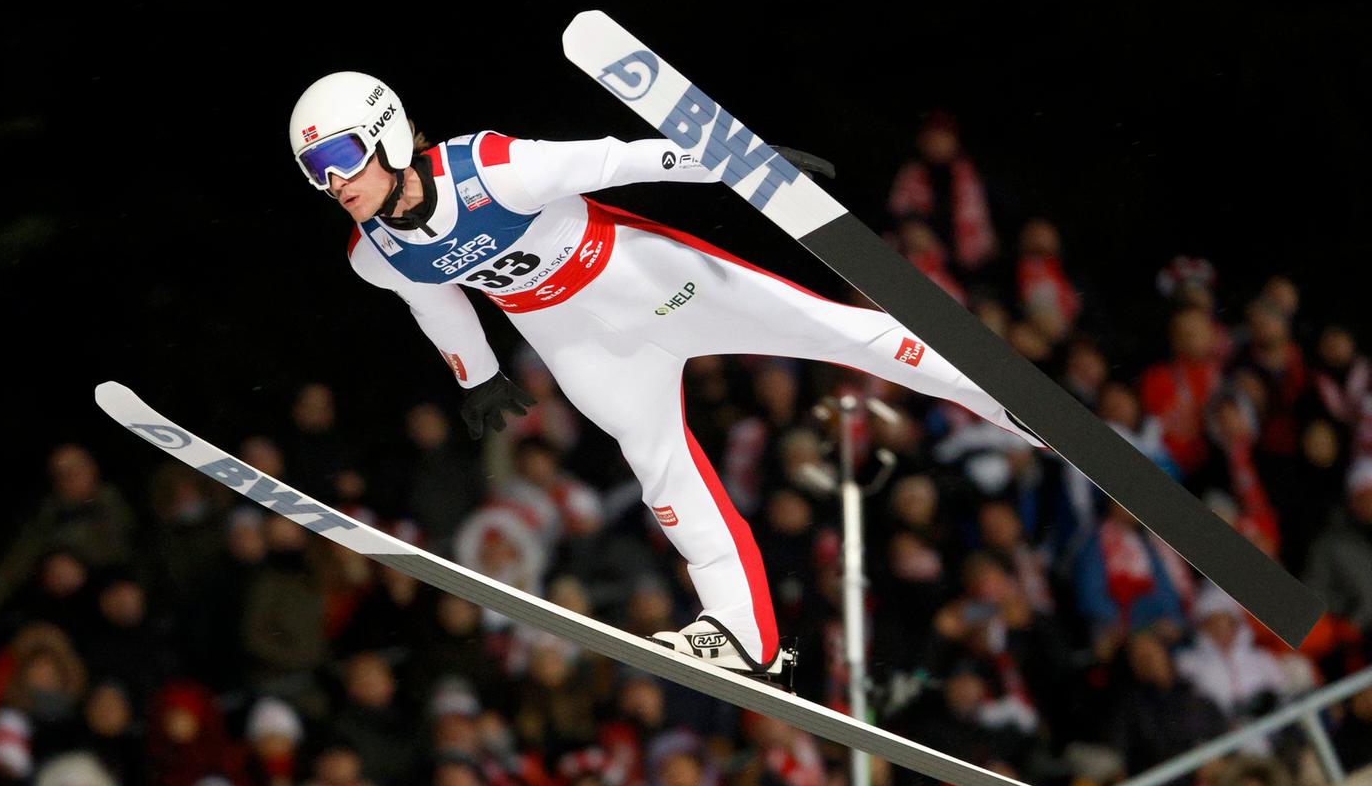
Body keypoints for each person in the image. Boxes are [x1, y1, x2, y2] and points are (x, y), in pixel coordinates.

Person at [289, 72, 1041, 677]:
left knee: (834, 333)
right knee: (661, 474)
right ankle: (743, 633)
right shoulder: (374, 253)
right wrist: (476, 376)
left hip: (655, 282)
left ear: (386, 133)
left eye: (339, 159)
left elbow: (620, 157)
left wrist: (744, 168)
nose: (333, 183)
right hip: (583, 345)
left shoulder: (491, 168)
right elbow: (437, 304)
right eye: (314, 172)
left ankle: (1007, 402)